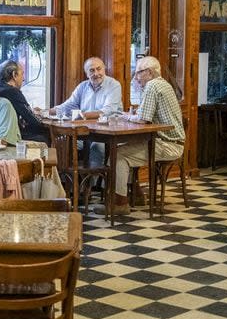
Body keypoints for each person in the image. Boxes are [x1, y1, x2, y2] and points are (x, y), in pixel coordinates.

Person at [108, 56, 186, 216]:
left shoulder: (152, 86)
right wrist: (134, 115)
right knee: (124, 150)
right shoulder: (164, 84)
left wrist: (126, 117)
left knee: (118, 156)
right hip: (173, 142)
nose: (136, 78)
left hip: (167, 144)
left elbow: (144, 119)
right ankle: (136, 195)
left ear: (149, 73)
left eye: (138, 73)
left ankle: (120, 203)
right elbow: (147, 114)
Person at [0, 59, 49, 144]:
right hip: (12, 137)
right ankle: (45, 157)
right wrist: (41, 117)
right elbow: (32, 120)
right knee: (46, 135)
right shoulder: (13, 92)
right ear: (14, 75)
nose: (23, 79)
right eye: (22, 74)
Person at [51, 57, 123, 119]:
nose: (96, 74)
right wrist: (45, 112)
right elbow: (68, 106)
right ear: (87, 74)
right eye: (92, 70)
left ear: (104, 69)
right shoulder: (82, 86)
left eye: (99, 69)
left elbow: (108, 110)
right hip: (87, 127)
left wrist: (81, 115)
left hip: (109, 128)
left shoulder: (114, 85)